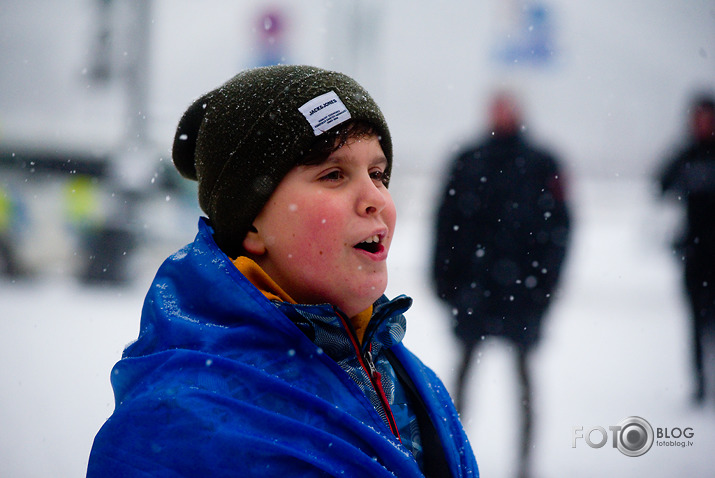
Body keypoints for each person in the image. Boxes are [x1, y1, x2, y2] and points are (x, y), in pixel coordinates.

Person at [87, 65, 479, 477]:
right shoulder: (175, 423)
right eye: (334, 175)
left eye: (378, 174)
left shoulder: (412, 380)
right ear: (253, 222)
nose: (375, 199)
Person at [431, 91, 570, 478]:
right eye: (495, 107)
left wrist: (547, 283)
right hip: (474, 288)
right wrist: (444, 278)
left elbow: (559, 227)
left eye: (507, 107)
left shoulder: (542, 163)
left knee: (524, 378)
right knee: (459, 378)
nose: (500, 114)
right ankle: (449, 454)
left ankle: (525, 461)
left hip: (522, 292)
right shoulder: (468, 160)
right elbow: (445, 222)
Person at [658, 93, 715, 405]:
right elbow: (661, 183)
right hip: (696, 255)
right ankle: (700, 385)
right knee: (695, 323)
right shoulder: (686, 155)